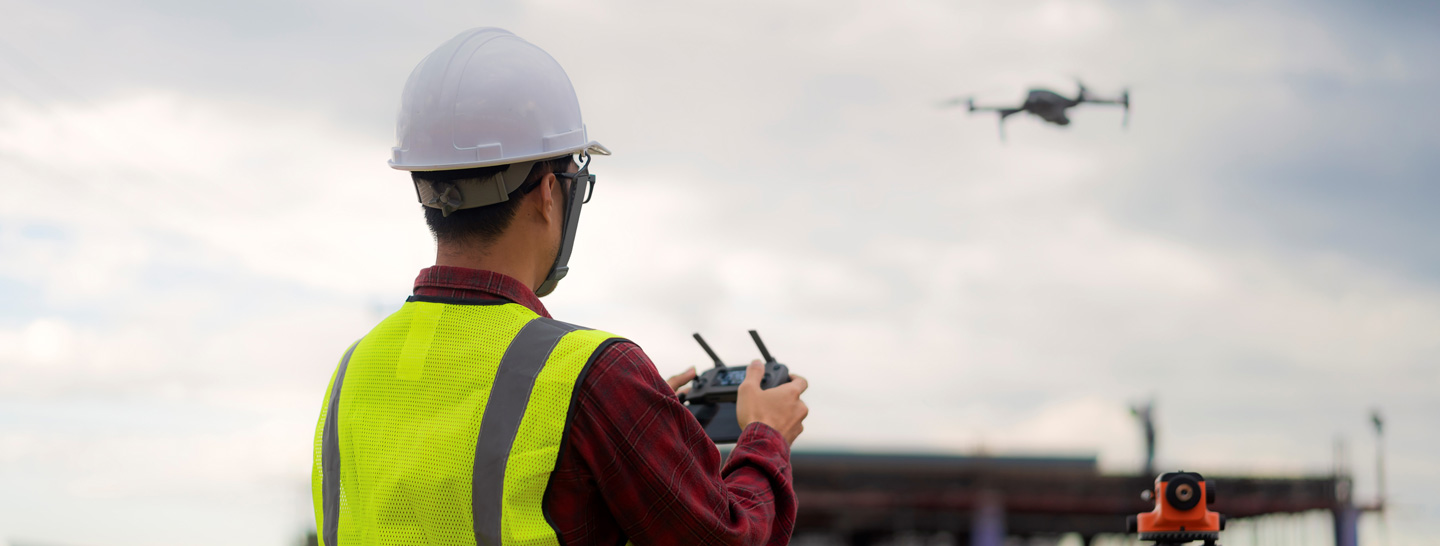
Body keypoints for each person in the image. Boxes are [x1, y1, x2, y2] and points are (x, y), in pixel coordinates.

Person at [310, 28, 810, 546]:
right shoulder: (597, 375)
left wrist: (638, 424)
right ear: (550, 191)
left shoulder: (354, 370)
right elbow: (731, 538)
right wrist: (765, 437)